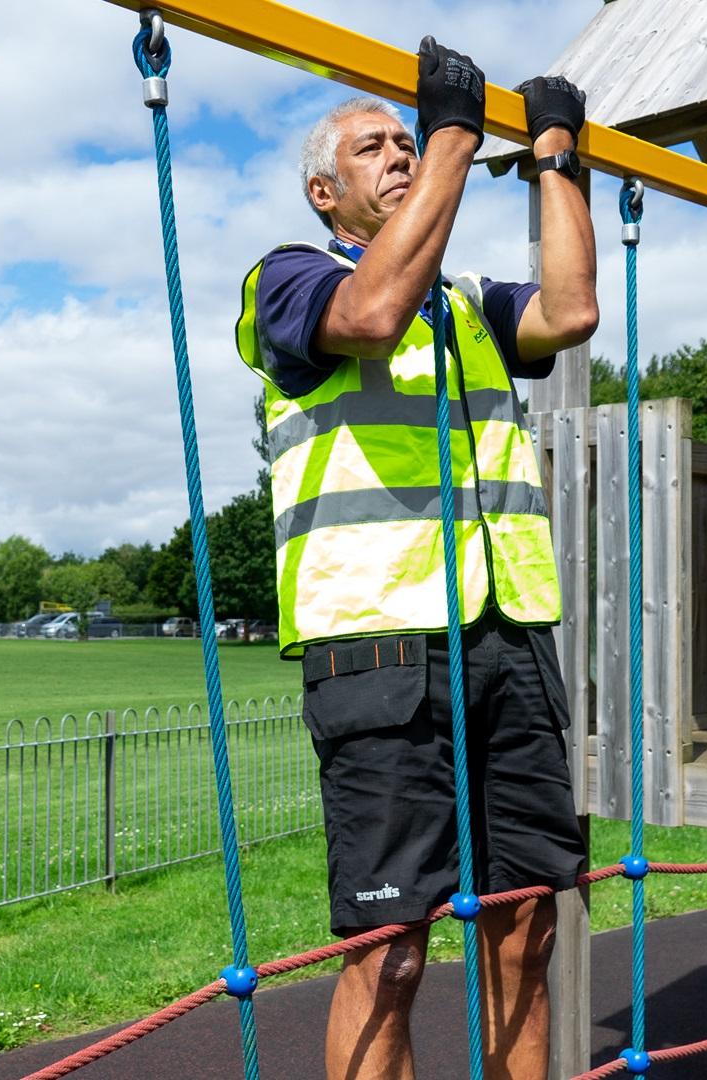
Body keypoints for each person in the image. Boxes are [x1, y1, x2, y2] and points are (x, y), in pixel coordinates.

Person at [233, 36, 599, 1080]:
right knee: (390, 950)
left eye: (409, 140)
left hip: (508, 638)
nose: (400, 155)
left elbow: (571, 310)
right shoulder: (287, 283)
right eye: (374, 146)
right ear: (323, 190)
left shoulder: (472, 303)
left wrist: (557, 156)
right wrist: (451, 133)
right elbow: (372, 312)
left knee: (529, 920)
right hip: (378, 648)